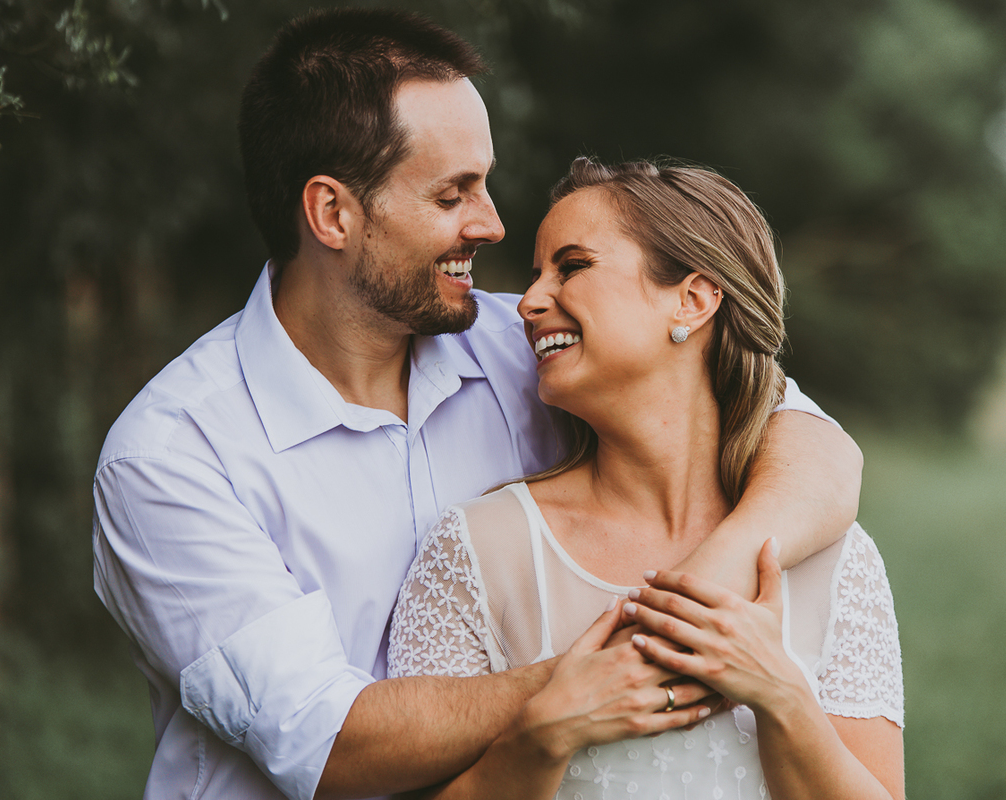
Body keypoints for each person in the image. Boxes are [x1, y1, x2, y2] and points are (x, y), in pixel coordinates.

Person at [91, 9, 863, 800]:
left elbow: (807, 441)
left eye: (485, 184)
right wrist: (598, 677)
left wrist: (703, 592)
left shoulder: (525, 347)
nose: (490, 223)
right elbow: (329, 748)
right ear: (332, 214)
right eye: (453, 193)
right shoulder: (171, 457)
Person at [389, 158, 904, 799]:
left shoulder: (835, 559)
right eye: (536, 274)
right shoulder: (476, 553)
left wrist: (781, 695)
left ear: (692, 299)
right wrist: (543, 737)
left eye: (572, 266)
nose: (528, 302)